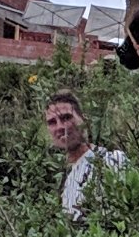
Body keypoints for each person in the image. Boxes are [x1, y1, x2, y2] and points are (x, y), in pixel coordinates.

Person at [45, 88, 128, 218]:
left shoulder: (111, 160)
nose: (60, 127)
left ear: (83, 120)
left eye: (66, 118)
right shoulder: (54, 174)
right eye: (52, 122)